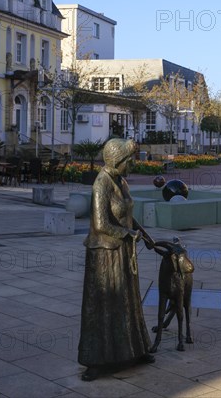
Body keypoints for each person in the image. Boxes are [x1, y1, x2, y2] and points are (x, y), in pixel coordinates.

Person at [78, 138, 155, 381]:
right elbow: (100, 224)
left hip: (122, 250)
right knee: (105, 304)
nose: (133, 164)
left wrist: (142, 233)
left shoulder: (121, 181)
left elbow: (128, 214)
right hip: (105, 255)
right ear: (118, 161)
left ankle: (135, 349)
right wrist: (127, 234)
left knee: (127, 301)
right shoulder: (101, 184)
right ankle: (97, 360)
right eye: (130, 160)